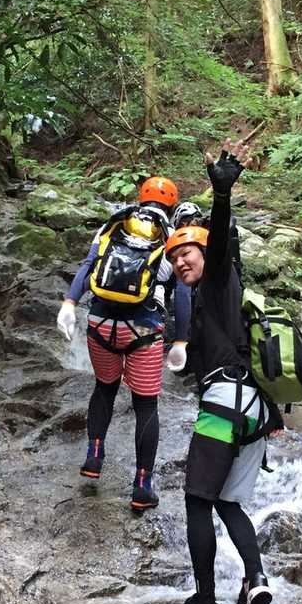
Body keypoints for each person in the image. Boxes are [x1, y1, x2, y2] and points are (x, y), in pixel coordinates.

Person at [164, 148, 273, 604]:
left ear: (205, 253)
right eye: (174, 258)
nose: (180, 261)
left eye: (186, 253)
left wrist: (222, 193)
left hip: (225, 405)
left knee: (196, 500)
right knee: (227, 503)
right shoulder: (215, 299)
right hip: (254, 410)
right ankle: (255, 580)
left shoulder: (217, 280)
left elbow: (222, 241)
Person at [57, 176, 191, 512]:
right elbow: (183, 291)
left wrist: (70, 303)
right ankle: (142, 486)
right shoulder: (171, 236)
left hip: (100, 324)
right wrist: (181, 340)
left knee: (104, 388)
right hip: (143, 331)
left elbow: (88, 266)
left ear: (140, 198)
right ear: (172, 206)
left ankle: (94, 456)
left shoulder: (113, 225)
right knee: (145, 406)